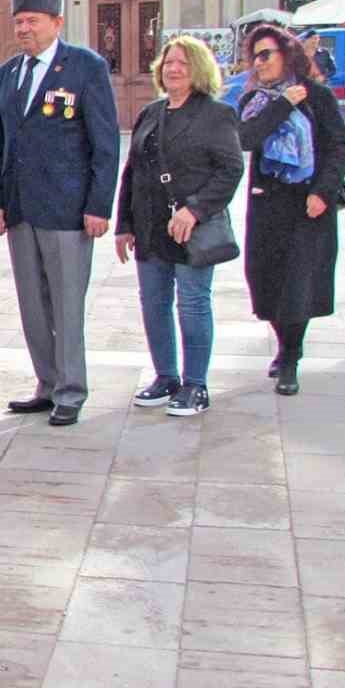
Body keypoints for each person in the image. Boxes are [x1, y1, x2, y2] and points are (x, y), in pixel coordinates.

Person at [0, 0, 120, 427]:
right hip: (20, 208)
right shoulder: (9, 73)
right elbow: (0, 145)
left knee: (66, 303)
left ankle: (71, 389)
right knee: (33, 305)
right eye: (18, 21)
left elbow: (105, 144)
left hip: (67, 209)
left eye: (33, 21)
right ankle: (47, 383)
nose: (24, 29)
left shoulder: (85, 67)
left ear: (57, 22)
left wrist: (99, 205)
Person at [115, 36, 244, 416]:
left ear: (199, 70)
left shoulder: (216, 114)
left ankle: (195, 384)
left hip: (191, 229)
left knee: (192, 303)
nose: (173, 69)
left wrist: (195, 210)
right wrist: (124, 224)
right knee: (153, 303)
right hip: (150, 226)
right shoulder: (150, 113)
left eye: (183, 64)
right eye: (168, 62)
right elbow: (133, 171)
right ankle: (166, 376)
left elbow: (230, 169)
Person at [236, 23, 345, 394]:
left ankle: (290, 356)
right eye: (254, 57)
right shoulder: (254, 100)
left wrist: (323, 191)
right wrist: (283, 103)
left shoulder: (317, 96)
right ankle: (284, 342)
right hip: (267, 202)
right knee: (265, 280)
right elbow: (245, 138)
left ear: (286, 55)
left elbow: (341, 147)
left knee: (298, 283)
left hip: (308, 203)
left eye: (265, 54)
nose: (259, 63)